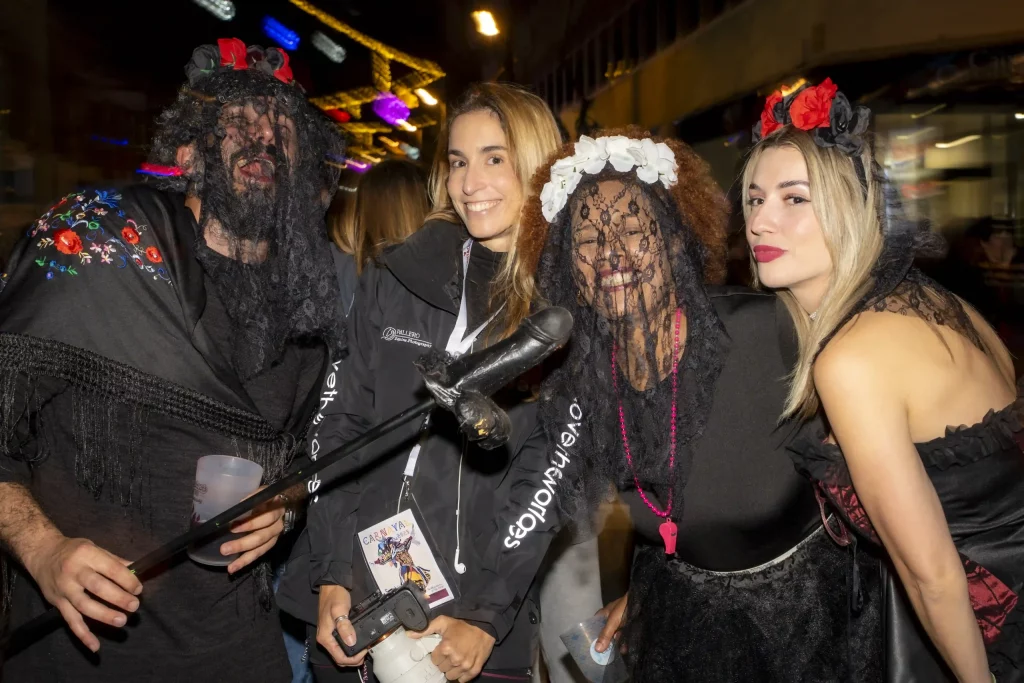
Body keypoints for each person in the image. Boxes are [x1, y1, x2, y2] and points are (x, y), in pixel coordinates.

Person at [0, 38, 344, 680]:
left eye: (282, 125)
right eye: (238, 119)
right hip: (86, 655)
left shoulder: (307, 304)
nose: (263, 136)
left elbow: (300, 459)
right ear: (187, 149)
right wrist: (43, 551)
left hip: (239, 654)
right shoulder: (103, 244)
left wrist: (286, 503)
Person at [517, 127, 884, 681]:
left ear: (674, 238)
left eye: (633, 229)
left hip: (819, 628)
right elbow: (664, 517)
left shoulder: (771, 329)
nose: (610, 253)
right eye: (588, 240)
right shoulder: (582, 384)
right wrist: (648, 592)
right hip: (686, 629)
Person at [276, 82, 564, 683]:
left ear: (538, 166)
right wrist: (331, 571)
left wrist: (485, 615)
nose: (470, 182)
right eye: (458, 161)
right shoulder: (394, 276)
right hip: (353, 600)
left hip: (467, 629)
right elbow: (339, 424)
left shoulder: (563, 307)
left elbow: (547, 474)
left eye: (495, 158)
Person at [744, 78, 1023, 682]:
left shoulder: (852, 359)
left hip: (992, 632)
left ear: (851, 205)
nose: (761, 221)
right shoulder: (936, 303)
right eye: (753, 199)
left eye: (795, 198)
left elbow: (935, 575)